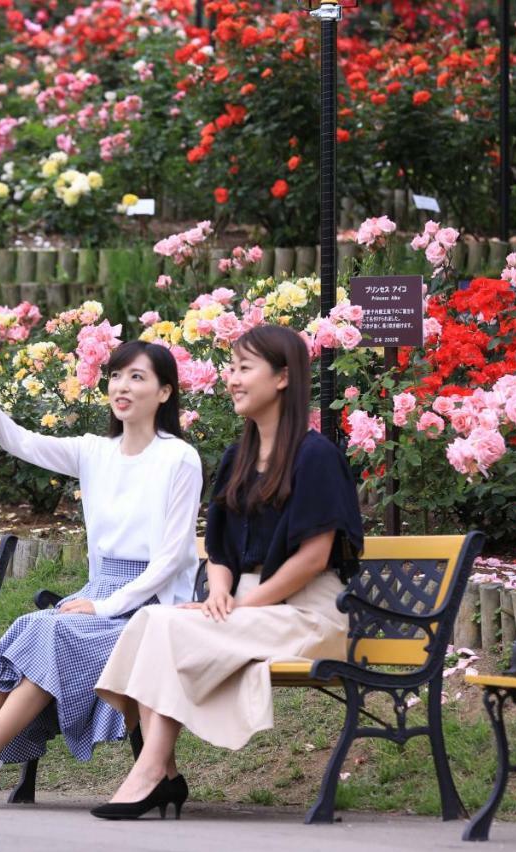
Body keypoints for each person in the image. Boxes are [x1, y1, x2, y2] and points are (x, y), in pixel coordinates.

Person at [93, 324, 364, 820]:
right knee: (153, 620)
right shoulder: (237, 457)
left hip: (308, 614)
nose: (232, 379)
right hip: (247, 605)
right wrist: (222, 590)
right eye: (231, 368)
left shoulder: (316, 455)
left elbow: (314, 557)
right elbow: (219, 549)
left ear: (283, 378)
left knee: (169, 625)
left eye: (244, 368)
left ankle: (151, 774)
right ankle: (163, 771)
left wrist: (244, 602)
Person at [0, 340, 204, 789]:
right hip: (98, 592)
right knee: (29, 628)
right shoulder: (95, 451)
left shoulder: (179, 458)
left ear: (164, 393)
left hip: (152, 607)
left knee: (56, 632)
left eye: (138, 377)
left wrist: (105, 607)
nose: (123, 386)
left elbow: (172, 558)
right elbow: (22, 443)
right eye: (116, 375)